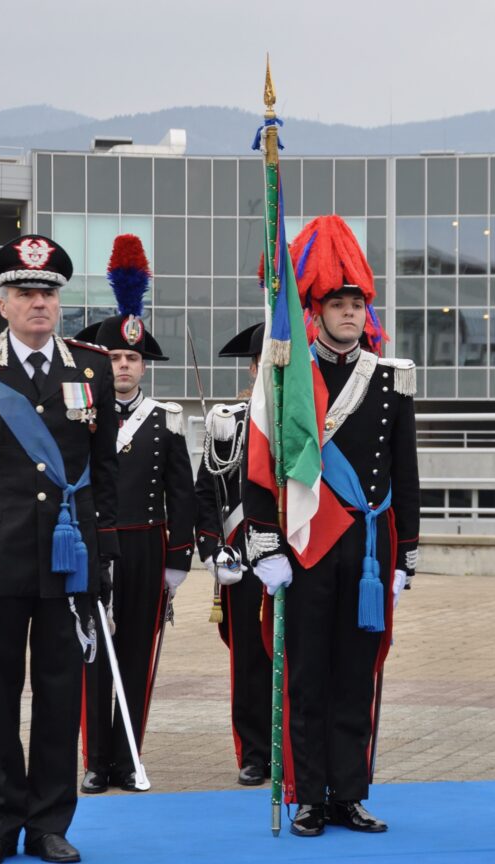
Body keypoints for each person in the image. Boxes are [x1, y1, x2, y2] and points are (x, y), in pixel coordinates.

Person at [0, 235, 119, 864]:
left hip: (71, 559)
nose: (39, 303)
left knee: (62, 694)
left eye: (48, 293)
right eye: (25, 293)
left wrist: (106, 554)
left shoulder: (90, 367)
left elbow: (106, 470)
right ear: (2, 304)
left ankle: (48, 824)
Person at [243, 214, 420, 838]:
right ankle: (308, 794)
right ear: (313, 311)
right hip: (307, 549)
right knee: (307, 677)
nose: (348, 313)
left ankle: (350, 792)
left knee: (355, 676)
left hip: (369, 550)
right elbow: (260, 467)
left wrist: (407, 556)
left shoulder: (391, 380)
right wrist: (264, 542)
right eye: (336, 303)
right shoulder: (287, 376)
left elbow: (407, 472)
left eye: (356, 304)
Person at [72, 236, 196, 794]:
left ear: (145, 366)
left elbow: (182, 493)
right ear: (102, 362)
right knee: (92, 654)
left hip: (146, 549)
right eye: (116, 357)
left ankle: (128, 757)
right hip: (96, 547)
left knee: (136, 653)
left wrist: (178, 560)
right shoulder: (81, 415)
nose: (123, 366)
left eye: (132, 358)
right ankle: (96, 761)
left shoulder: (166, 419)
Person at [194, 322, 273, 788]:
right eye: (265, 364)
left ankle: (297, 748)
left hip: (300, 559)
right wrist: (211, 551)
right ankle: (254, 754)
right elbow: (206, 493)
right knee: (248, 660)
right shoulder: (228, 421)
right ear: (252, 367)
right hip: (241, 559)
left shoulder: (310, 420)